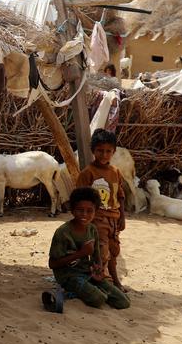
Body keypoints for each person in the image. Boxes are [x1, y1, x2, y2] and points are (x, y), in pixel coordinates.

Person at [47, 187, 130, 309]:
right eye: (80, 210)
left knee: (123, 302)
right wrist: (80, 254)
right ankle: (73, 291)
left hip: (88, 273)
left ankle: (87, 289)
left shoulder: (92, 230)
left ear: (95, 211)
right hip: (69, 276)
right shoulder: (63, 232)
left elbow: (97, 257)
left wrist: (99, 271)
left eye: (89, 211)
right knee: (98, 299)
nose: (84, 215)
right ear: (72, 210)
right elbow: (52, 264)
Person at [75, 128, 127, 290]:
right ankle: (100, 281)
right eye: (100, 151)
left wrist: (122, 217)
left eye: (108, 151)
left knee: (113, 251)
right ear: (93, 151)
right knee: (102, 252)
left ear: (114, 152)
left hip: (114, 219)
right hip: (96, 219)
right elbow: (79, 198)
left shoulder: (115, 172)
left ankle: (115, 280)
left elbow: (120, 196)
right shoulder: (87, 173)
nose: (104, 155)